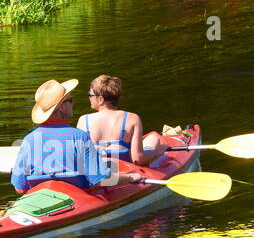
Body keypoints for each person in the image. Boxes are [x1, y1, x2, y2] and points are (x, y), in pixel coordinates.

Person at [10, 78, 143, 193]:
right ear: (62, 108)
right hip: (77, 199)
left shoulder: (28, 140)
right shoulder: (79, 137)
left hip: (41, 199)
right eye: (70, 100)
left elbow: (20, 189)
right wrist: (130, 178)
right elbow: (101, 180)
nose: (73, 104)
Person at [77, 75, 166, 167]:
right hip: (125, 171)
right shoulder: (133, 118)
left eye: (90, 95)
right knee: (154, 138)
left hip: (97, 174)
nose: (89, 98)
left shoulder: (83, 120)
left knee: (152, 138)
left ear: (100, 99)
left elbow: (80, 158)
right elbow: (138, 159)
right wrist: (158, 152)